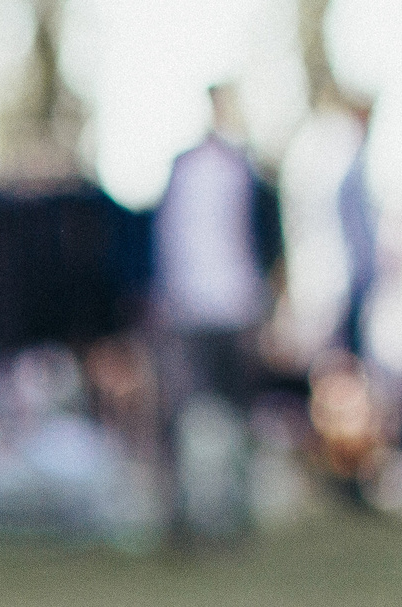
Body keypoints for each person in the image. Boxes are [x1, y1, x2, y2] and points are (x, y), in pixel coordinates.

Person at [152, 83, 283, 544]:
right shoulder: (181, 170)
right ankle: (194, 514)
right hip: (188, 311)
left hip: (238, 308)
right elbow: (165, 241)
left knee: (237, 413)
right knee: (191, 414)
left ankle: (234, 513)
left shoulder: (250, 173)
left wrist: (266, 304)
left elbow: (270, 243)